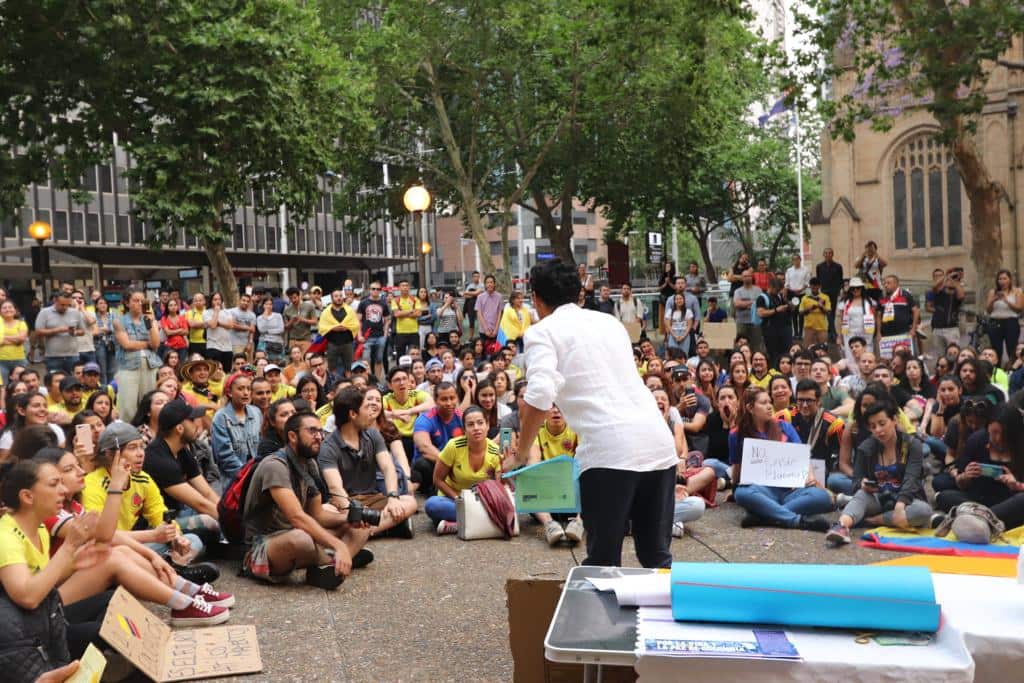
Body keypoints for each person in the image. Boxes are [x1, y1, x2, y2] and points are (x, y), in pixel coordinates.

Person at [516, 260, 678, 568]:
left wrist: (521, 453)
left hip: (610, 452)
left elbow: (539, 395)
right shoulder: (610, 323)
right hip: (657, 442)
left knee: (603, 561)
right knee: (657, 558)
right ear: (579, 293)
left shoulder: (542, 332)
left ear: (535, 298)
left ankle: (601, 617)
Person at [241, 411, 373, 582]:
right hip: (264, 546)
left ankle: (330, 566)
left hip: (299, 533)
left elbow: (318, 515)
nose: (319, 437)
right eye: (312, 431)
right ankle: (336, 559)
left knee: (362, 525)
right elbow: (297, 518)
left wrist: (350, 517)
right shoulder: (275, 466)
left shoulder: (309, 463)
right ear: (292, 436)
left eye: (320, 431)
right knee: (301, 539)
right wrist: (338, 544)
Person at [81, 422, 217, 583]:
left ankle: (166, 572)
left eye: (141, 446)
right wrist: (152, 535)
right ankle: (171, 574)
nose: (140, 453)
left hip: (134, 545)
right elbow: (103, 538)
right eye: (132, 448)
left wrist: (176, 537)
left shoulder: (142, 479)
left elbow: (159, 513)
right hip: (109, 551)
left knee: (193, 540)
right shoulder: (92, 484)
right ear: (111, 454)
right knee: (122, 554)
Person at [826, 401, 932, 546]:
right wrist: (862, 484)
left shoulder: (912, 445)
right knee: (861, 495)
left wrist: (900, 506)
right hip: (878, 498)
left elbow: (911, 478)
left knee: (923, 511)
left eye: (882, 423)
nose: (878, 430)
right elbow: (856, 479)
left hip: (907, 500)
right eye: (873, 426)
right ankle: (841, 527)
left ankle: (871, 520)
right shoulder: (866, 447)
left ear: (894, 420)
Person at [729, 387, 832, 531]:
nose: (770, 406)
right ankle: (796, 521)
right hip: (763, 491)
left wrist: (811, 478)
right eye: (763, 403)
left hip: (791, 491)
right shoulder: (736, 435)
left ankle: (764, 516)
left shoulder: (784, 427)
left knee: (823, 497)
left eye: (769, 402)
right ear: (750, 408)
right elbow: (737, 468)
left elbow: (802, 457)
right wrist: (734, 488)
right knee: (742, 493)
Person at [318, 387, 417, 538]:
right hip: (344, 503)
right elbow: (335, 487)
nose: (371, 412)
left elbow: (388, 468)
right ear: (353, 414)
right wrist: (352, 513)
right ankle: (384, 527)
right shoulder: (328, 446)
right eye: (366, 407)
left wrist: (392, 497)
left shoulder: (373, 435)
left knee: (409, 502)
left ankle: (361, 533)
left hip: (373, 498)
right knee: (324, 511)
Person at [932, 404, 1024, 530]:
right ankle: (987, 522)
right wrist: (965, 476)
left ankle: (971, 521)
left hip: (1010, 501)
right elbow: (961, 483)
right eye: (994, 432)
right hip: (979, 499)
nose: (998, 439)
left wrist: (1016, 485)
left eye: (1004, 434)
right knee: (944, 496)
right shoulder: (977, 440)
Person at [423, 406, 505, 535]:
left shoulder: (495, 451)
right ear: (464, 429)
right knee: (432, 505)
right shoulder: (453, 446)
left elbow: (500, 487)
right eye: (470, 425)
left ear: (487, 425)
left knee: (511, 505)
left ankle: (458, 524)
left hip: (481, 502)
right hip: (453, 500)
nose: (476, 428)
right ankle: (482, 523)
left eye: (480, 423)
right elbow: (438, 480)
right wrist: (458, 499)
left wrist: (505, 465)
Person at [111, 290, 161, 424]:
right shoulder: (118, 321)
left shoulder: (150, 319)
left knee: (147, 403)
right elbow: (127, 344)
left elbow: (156, 344)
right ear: (127, 303)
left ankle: (146, 432)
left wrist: (150, 322)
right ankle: (128, 435)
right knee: (128, 406)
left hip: (150, 365)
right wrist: (146, 344)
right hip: (128, 366)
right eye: (136, 300)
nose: (140, 304)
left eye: (142, 301)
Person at [211, 373, 262, 487]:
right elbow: (225, 456)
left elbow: (261, 444)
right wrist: (247, 475)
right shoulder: (221, 417)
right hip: (234, 480)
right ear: (229, 392)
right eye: (240, 389)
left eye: (248, 389)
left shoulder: (256, 412)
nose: (246, 393)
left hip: (257, 475)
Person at [382, 366, 434, 463]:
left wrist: (408, 411)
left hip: (416, 438)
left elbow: (431, 404)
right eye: (397, 380)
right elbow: (377, 412)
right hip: (396, 439)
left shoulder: (416, 394)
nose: (402, 383)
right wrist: (395, 415)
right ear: (390, 385)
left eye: (404, 379)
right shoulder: (386, 398)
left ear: (409, 382)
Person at [35, 289, 87, 374]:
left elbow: (82, 331)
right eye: (62, 305)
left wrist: (74, 332)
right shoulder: (44, 312)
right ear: (55, 300)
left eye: (68, 305)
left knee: (73, 383)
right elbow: (38, 332)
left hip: (72, 356)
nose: (65, 307)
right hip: (53, 357)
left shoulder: (75, 312)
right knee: (54, 383)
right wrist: (58, 330)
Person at [985, 269, 1023, 365]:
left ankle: (1012, 370)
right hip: (995, 322)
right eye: (1000, 279)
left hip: (1011, 322)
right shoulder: (993, 292)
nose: (1002, 281)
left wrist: (1006, 300)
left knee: (1012, 348)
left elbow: (1019, 309)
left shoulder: (1017, 291)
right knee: (996, 349)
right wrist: (993, 300)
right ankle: (996, 370)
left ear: (1010, 279)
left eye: (1004, 278)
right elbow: (988, 310)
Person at [318, 289, 360, 377]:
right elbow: (322, 326)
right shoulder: (326, 312)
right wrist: (334, 328)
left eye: (340, 296)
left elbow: (355, 324)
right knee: (332, 368)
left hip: (347, 343)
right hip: (332, 343)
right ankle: (333, 386)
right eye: (336, 296)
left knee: (349, 368)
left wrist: (344, 327)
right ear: (332, 298)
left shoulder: (349, 310)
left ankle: (349, 385)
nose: (339, 298)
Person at [356, 281, 391, 379]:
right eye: (373, 289)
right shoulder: (363, 303)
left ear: (380, 290)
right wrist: (359, 335)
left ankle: (377, 381)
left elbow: (388, 319)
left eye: (378, 289)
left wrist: (385, 333)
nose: (375, 291)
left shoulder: (383, 303)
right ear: (369, 290)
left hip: (380, 336)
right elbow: (358, 320)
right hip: (366, 336)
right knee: (365, 360)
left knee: (379, 360)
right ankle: (368, 380)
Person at [839, 278, 876, 366]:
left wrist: (877, 333)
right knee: (851, 355)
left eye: (858, 288)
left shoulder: (870, 302)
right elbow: (841, 320)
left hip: (866, 333)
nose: (855, 290)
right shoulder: (844, 302)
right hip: (849, 333)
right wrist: (839, 336)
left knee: (867, 354)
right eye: (853, 288)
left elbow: (875, 318)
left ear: (862, 289)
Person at [756, 278, 792, 365]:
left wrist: (787, 302)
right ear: (770, 287)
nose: (778, 291)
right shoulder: (762, 298)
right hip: (770, 331)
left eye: (780, 289)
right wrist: (776, 310)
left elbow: (789, 309)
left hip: (783, 329)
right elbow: (761, 313)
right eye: (776, 289)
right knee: (774, 355)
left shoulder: (779, 296)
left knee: (785, 353)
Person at [732, 269, 763, 354]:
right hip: (741, 322)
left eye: (748, 276)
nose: (747, 278)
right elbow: (737, 304)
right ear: (742, 278)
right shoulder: (738, 291)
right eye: (745, 276)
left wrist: (744, 303)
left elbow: (761, 304)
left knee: (756, 345)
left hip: (755, 322)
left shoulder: (758, 290)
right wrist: (752, 302)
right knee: (741, 344)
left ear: (752, 277)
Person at [815, 248, 844, 340]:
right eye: (826, 253)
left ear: (832, 254)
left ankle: (830, 330)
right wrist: (819, 291)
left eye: (830, 253)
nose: (828, 255)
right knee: (827, 311)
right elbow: (818, 279)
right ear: (823, 255)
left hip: (834, 291)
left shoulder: (838, 266)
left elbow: (840, 279)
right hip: (824, 292)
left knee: (832, 311)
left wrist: (839, 290)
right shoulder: (819, 266)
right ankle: (833, 331)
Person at [283, 286, 318, 355]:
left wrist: (303, 320)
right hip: (293, 340)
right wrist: (292, 321)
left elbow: (315, 322)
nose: (293, 300)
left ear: (299, 295)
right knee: (294, 361)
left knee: (306, 361)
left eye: (295, 297)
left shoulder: (309, 306)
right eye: (290, 298)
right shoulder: (287, 310)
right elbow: (286, 327)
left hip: (306, 339)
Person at [0, 300, 28, 385]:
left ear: (15, 310)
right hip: (1, 361)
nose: (8, 309)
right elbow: (19, 339)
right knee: (2, 387)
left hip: (19, 360)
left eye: (10, 307)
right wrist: (16, 339)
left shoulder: (21, 323)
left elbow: (22, 338)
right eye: (4, 308)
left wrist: (3, 338)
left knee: (20, 385)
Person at [799, 278, 831, 347]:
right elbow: (801, 313)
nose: (814, 287)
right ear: (810, 286)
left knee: (822, 351)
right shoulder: (805, 298)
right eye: (812, 285)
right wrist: (811, 308)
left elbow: (828, 312)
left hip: (822, 328)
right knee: (807, 350)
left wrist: (821, 307)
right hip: (808, 328)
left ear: (819, 286)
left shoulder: (825, 297)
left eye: (816, 285)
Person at [784, 254, 810, 338]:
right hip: (792, 294)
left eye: (797, 259)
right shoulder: (789, 270)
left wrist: (801, 289)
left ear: (800, 259)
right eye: (794, 260)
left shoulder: (805, 270)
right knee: (794, 313)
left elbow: (807, 282)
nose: (796, 261)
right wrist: (791, 290)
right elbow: (787, 283)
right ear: (792, 261)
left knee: (801, 313)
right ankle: (795, 333)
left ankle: (800, 333)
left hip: (801, 294)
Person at [474, 275, 504, 348]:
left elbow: (500, 313)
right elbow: (479, 314)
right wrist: (486, 330)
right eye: (487, 282)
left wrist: (496, 330)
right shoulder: (480, 297)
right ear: (485, 284)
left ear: (494, 284)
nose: (489, 284)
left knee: (496, 352)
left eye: (491, 282)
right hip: (483, 331)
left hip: (495, 331)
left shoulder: (499, 297)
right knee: (484, 352)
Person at [256, 297, 286, 362]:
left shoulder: (278, 316)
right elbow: (261, 330)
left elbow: (281, 329)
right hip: (264, 342)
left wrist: (268, 331)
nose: (268, 306)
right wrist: (265, 317)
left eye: (270, 304)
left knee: (278, 362)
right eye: (266, 304)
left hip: (277, 342)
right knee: (263, 362)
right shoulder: (259, 318)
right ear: (263, 305)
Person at [664, 293, 693, 358]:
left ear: (684, 300)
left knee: (684, 354)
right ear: (674, 301)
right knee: (672, 354)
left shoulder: (688, 311)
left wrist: (683, 336)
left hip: (685, 334)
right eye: (677, 299)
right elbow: (668, 326)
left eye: (680, 299)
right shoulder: (670, 311)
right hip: (673, 334)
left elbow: (689, 326)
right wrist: (675, 336)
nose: (679, 300)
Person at [185, 292, 208, 358]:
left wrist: (197, 324)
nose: (198, 302)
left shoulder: (208, 311)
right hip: (193, 343)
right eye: (196, 300)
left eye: (200, 300)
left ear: (204, 301)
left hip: (208, 342)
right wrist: (206, 323)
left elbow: (212, 324)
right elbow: (192, 324)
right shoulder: (189, 313)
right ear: (193, 302)